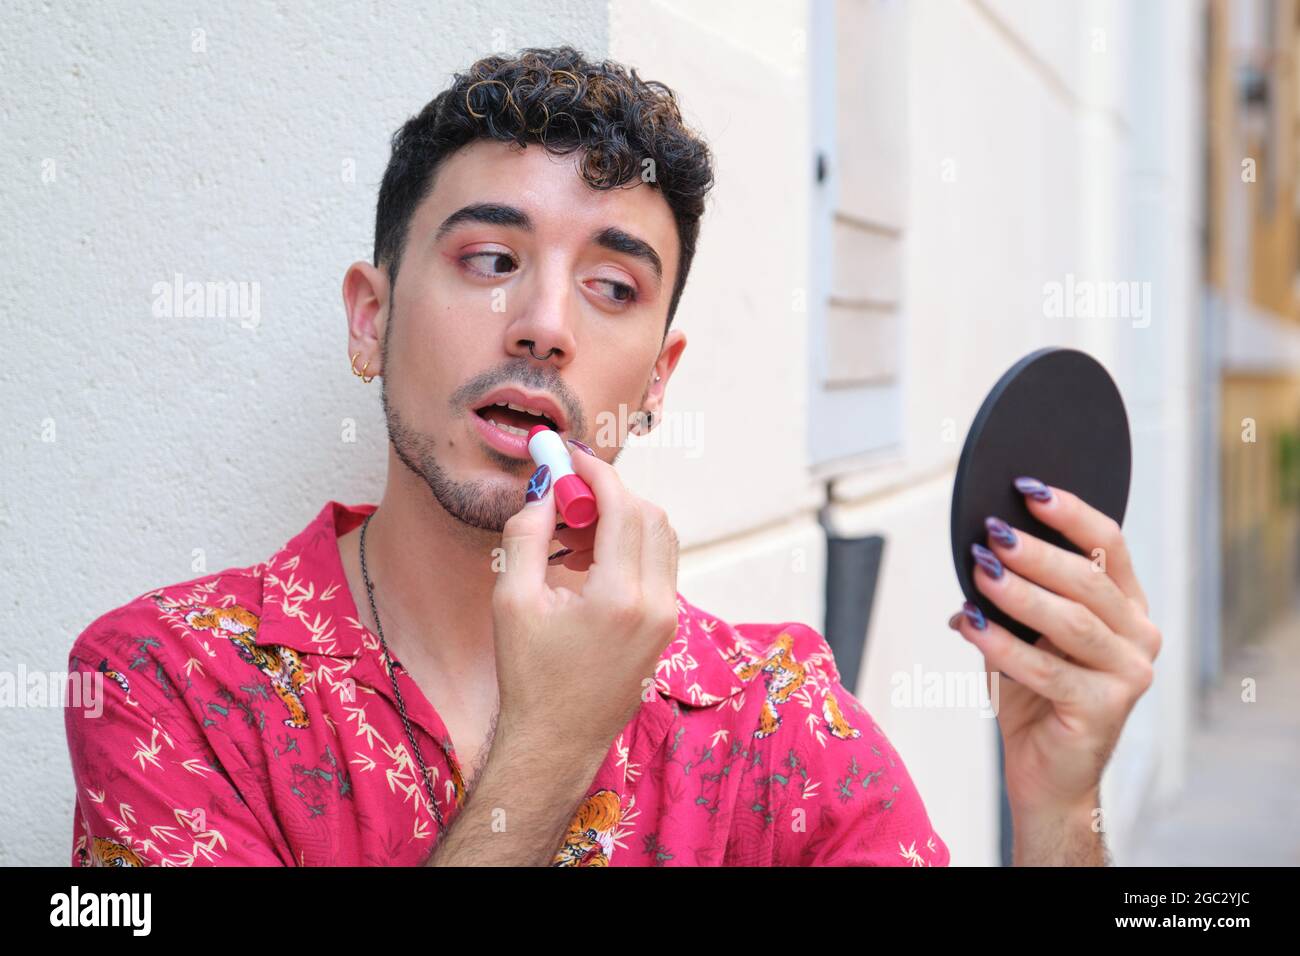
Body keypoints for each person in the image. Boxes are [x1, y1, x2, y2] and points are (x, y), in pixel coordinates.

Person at [64, 46, 1159, 867]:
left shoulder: (773, 710)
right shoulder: (171, 685)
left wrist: (1058, 811)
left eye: (612, 286)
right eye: (490, 257)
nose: (544, 324)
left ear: (655, 382)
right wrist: (549, 746)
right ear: (369, 319)